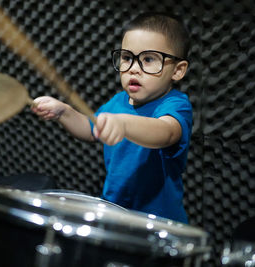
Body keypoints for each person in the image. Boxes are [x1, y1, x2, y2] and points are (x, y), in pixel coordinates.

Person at [31, 12, 192, 223]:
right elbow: (90, 130)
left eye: (149, 59)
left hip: (158, 224)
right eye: (127, 58)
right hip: (115, 214)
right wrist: (64, 112)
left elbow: (166, 132)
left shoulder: (175, 105)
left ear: (178, 71)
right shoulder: (118, 102)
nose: (134, 68)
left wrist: (123, 123)